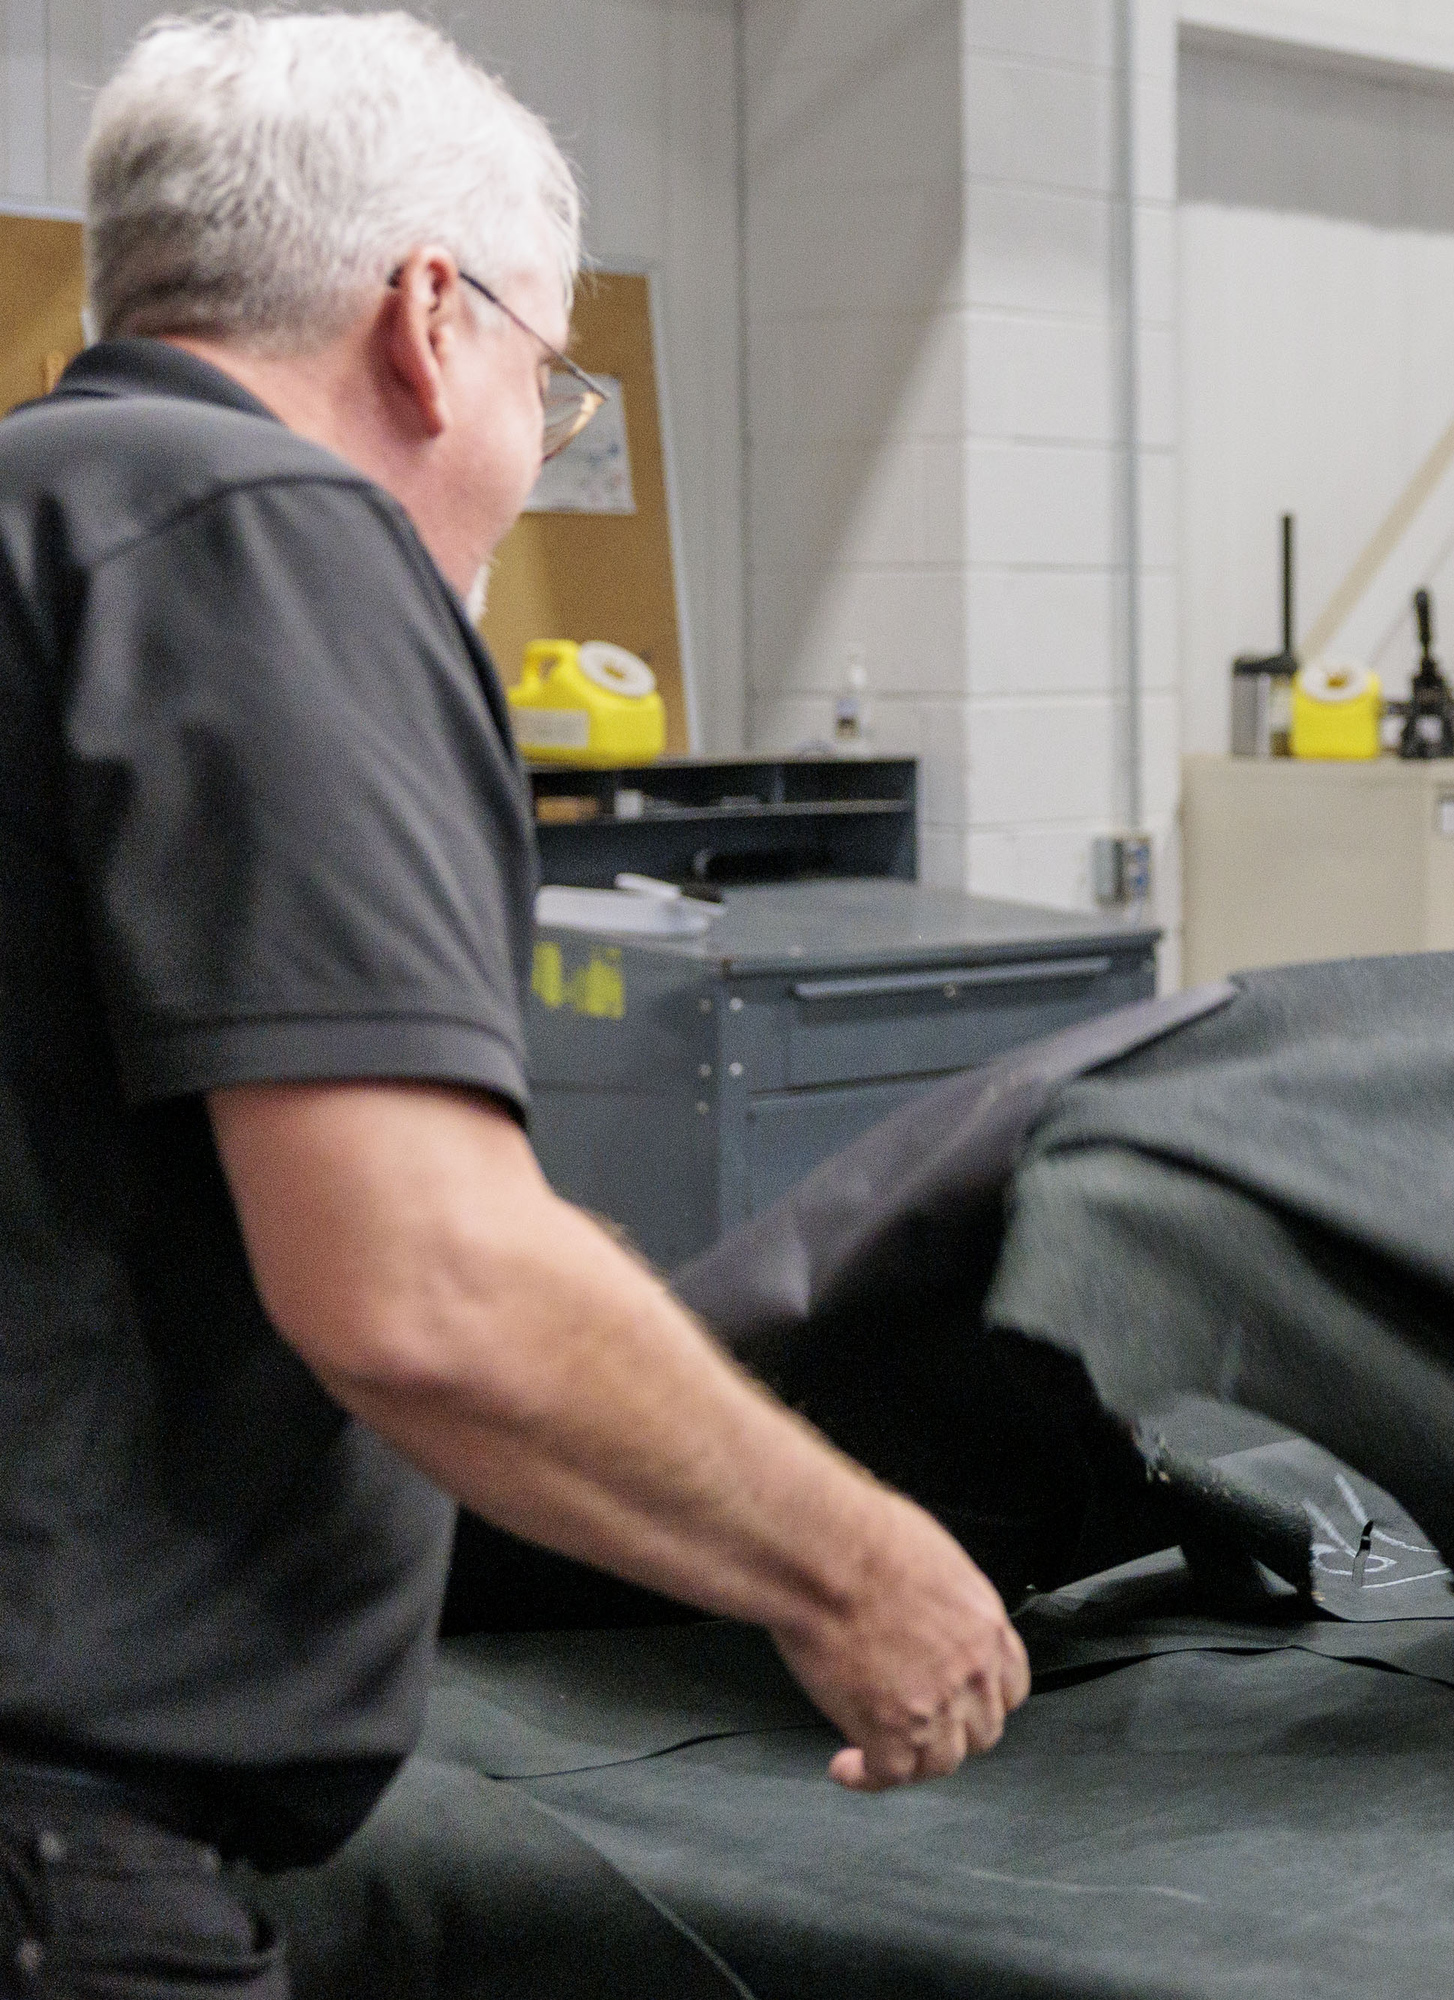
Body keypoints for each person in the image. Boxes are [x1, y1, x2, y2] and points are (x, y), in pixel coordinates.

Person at [0, 16, 1020, 1991]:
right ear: (429, 316)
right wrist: (859, 1561)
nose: (531, 466)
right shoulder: (267, 535)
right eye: (549, 391)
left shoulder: (53, 521)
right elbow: (423, 1285)